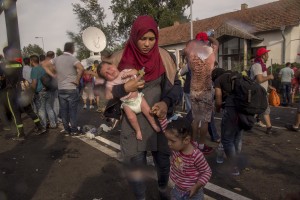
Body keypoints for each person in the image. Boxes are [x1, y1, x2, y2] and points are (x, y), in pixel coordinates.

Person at [101, 15, 182, 199]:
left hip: (158, 121)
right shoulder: (118, 59)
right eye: (142, 38)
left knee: (163, 164)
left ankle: (162, 190)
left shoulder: (165, 58)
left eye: (151, 39)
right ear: (134, 36)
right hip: (132, 124)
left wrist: (166, 102)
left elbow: (176, 86)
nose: (147, 44)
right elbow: (103, 93)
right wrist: (123, 88)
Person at [99, 62, 163, 140]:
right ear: (106, 78)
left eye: (109, 68)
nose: (109, 72)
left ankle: (154, 124)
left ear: (114, 65)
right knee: (131, 118)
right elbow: (109, 95)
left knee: (148, 111)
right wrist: (109, 91)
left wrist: (130, 73)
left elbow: (136, 71)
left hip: (138, 98)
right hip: (127, 103)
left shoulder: (125, 71)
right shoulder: (109, 83)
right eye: (106, 74)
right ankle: (138, 131)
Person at [0, 46, 46, 140]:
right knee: (29, 110)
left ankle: (21, 135)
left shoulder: (3, 65)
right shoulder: (19, 64)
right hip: (21, 90)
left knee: (15, 113)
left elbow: (2, 78)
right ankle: (40, 127)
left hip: (10, 92)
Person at [184, 32, 219, 154]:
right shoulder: (209, 50)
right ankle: (202, 145)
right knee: (204, 120)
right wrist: (209, 37)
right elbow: (216, 43)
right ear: (205, 41)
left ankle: (193, 143)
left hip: (194, 88)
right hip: (205, 89)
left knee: (195, 119)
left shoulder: (191, 53)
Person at [42, 42, 84, 135]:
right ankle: (74, 130)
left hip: (61, 88)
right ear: (72, 49)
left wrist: (53, 75)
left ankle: (66, 129)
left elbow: (44, 65)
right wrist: (77, 79)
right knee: (72, 110)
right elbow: (81, 68)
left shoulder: (56, 59)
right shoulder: (73, 59)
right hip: (71, 88)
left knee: (64, 110)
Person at [165, 118, 212, 199]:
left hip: (193, 194)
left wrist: (197, 186)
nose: (169, 144)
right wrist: (162, 117)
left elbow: (207, 172)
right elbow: (165, 129)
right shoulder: (176, 148)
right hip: (177, 189)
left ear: (186, 140)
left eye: (172, 141)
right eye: (168, 140)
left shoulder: (196, 156)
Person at [213, 67, 244, 175]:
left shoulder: (219, 80)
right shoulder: (238, 75)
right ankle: (235, 160)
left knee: (227, 139)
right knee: (238, 138)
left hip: (230, 111)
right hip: (243, 111)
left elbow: (218, 99)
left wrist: (217, 109)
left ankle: (233, 166)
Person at [250, 47, 277, 135]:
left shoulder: (261, 65)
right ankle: (269, 127)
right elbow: (260, 79)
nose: (268, 55)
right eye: (267, 54)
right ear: (263, 55)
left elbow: (262, 80)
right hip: (258, 92)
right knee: (265, 109)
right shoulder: (257, 65)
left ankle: (247, 122)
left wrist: (269, 86)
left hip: (261, 91)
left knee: (257, 109)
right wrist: (269, 77)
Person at [30, 55, 57, 129]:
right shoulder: (43, 68)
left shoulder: (34, 69)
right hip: (47, 89)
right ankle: (53, 124)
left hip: (39, 92)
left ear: (32, 61)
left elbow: (34, 82)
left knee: (41, 109)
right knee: (49, 108)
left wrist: (31, 92)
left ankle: (43, 125)